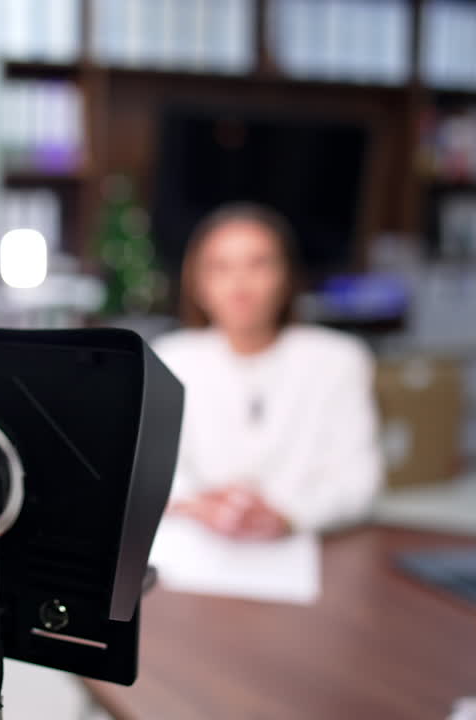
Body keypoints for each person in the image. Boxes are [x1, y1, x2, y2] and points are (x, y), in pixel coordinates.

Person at [153, 203, 383, 539]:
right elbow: (150, 472)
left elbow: (359, 482)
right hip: (201, 543)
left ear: (286, 276)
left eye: (259, 264)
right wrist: (198, 503)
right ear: (197, 283)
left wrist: (289, 515)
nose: (240, 283)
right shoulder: (171, 358)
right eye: (220, 267)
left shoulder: (339, 360)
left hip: (307, 546)